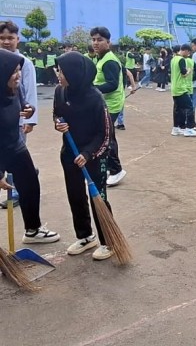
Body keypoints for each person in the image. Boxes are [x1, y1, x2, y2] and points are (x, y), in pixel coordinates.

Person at [53, 51, 114, 260]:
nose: (58, 74)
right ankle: (86, 236)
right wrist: (58, 124)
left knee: (99, 198)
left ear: (75, 73)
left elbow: (105, 133)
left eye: (61, 71)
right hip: (69, 153)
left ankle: (109, 241)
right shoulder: (61, 92)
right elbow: (57, 113)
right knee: (75, 196)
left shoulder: (95, 98)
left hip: (95, 156)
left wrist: (88, 154)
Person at [0, 49, 59, 243]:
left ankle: (33, 230)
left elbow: (24, 104)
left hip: (14, 145)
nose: (18, 76)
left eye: (19, 70)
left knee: (30, 182)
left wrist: (29, 109)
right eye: (14, 72)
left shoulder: (14, 89)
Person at [0, 21, 38, 209]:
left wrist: (30, 119)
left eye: (10, 38)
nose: (6, 42)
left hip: (17, 118)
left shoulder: (24, 63)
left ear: (18, 39)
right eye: (2, 38)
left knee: (16, 155)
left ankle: (15, 190)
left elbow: (28, 92)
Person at [90, 26, 126, 186]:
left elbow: (112, 84)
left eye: (99, 40)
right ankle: (107, 167)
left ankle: (116, 169)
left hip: (111, 104)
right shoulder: (102, 58)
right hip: (105, 104)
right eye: (93, 40)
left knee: (107, 138)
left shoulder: (109, 60)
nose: (96, 43)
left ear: (108, 42)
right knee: (106, 136)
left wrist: (91, 89)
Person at [170, 44, 196, 137]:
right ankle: (189, 128)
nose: (189, 54)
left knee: (178, 109)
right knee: (189, 107)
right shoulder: (181, 59)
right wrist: (189, 71)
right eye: (189, 52)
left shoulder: (173, 59)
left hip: (174, 88)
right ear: (186, 51)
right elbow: (183, 73)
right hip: (181, 88)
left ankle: (176, 128)